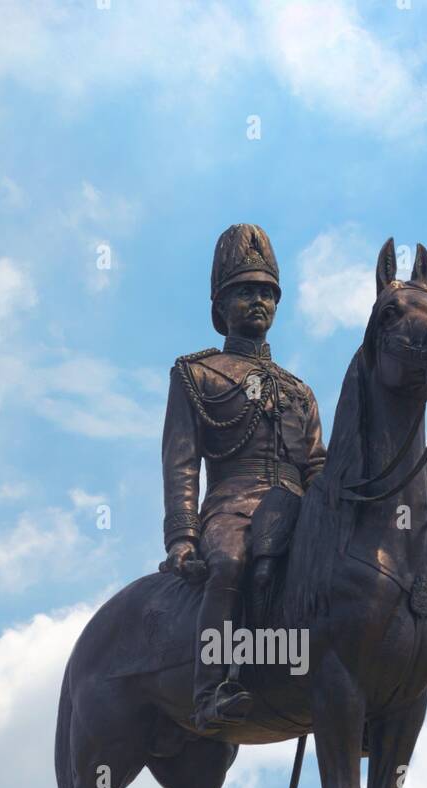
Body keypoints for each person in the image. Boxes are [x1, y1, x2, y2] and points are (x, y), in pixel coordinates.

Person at [160, 223, 326, 731]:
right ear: (220, 305)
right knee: (231, 563)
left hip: (296, 508)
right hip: (233, 504)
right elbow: (181, 460)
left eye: (267, 293)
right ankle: (211, 688)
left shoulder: (299, 390)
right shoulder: (197, 374)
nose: (258, 301)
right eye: (245, 291)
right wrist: (182, 536)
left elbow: (316, 462)